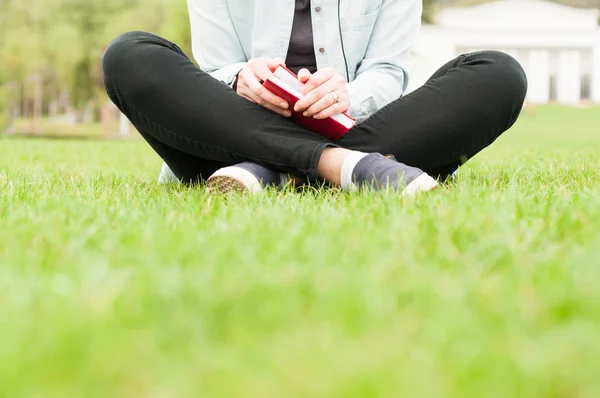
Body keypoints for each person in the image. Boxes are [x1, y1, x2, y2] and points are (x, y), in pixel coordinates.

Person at [102, 0, 527, 196]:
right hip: (230, 134)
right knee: (129, 56)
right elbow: (214, 69)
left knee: (499, 74)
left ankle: (270, 172)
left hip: (356, 127)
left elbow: (387, 73)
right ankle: (343, 166)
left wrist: (347, 95)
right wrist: (239, 78)